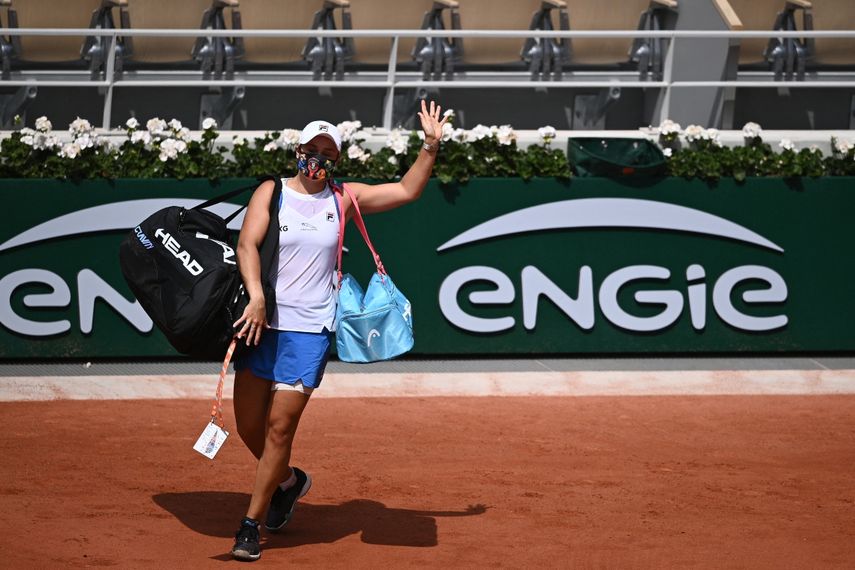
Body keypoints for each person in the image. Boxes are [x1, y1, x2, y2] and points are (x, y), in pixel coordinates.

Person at [229, 100, 449, 561]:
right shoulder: (271, 192)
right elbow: (247, 244)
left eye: (328, 153)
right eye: (313, 150)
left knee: (278, 429)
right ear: (298, 150)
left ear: (338, 159)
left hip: (311, 329)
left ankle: (250, 524)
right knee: (248, 426)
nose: (319, 159)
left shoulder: (343, 197)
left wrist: (430, 146)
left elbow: (406, 190)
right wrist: (256, 296)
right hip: (263, 323)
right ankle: (289, 482)